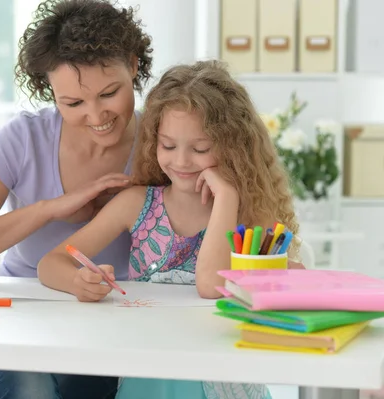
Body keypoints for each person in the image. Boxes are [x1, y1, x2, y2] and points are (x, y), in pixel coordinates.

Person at [38, 60, 304, 398]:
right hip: (148, 373)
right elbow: (51, 263)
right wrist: (78, 282)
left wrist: (226, 197)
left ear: (233, 147)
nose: (181, 161)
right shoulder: (136, 204)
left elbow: (211, 285)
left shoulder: (252, 216)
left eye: (201, 148)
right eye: (168, 145)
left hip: (223, 378)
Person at [0, 0, 153, 397]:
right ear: (49, 90)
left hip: (113, 323)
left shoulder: (165, 145)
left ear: (134, 66)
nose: (96, 115)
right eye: (72, 103)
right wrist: (49, 210)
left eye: (109, 93)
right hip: (15, 317)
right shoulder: (25, 140)